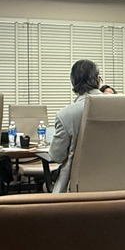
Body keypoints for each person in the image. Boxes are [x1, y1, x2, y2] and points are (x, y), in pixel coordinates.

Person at [47, 59, 102, 192]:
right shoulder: (123, 107)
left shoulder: (66, 115)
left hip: (77, 191)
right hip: (122, 189)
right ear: (98, 80)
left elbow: (57, 156)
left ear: (73, 83)